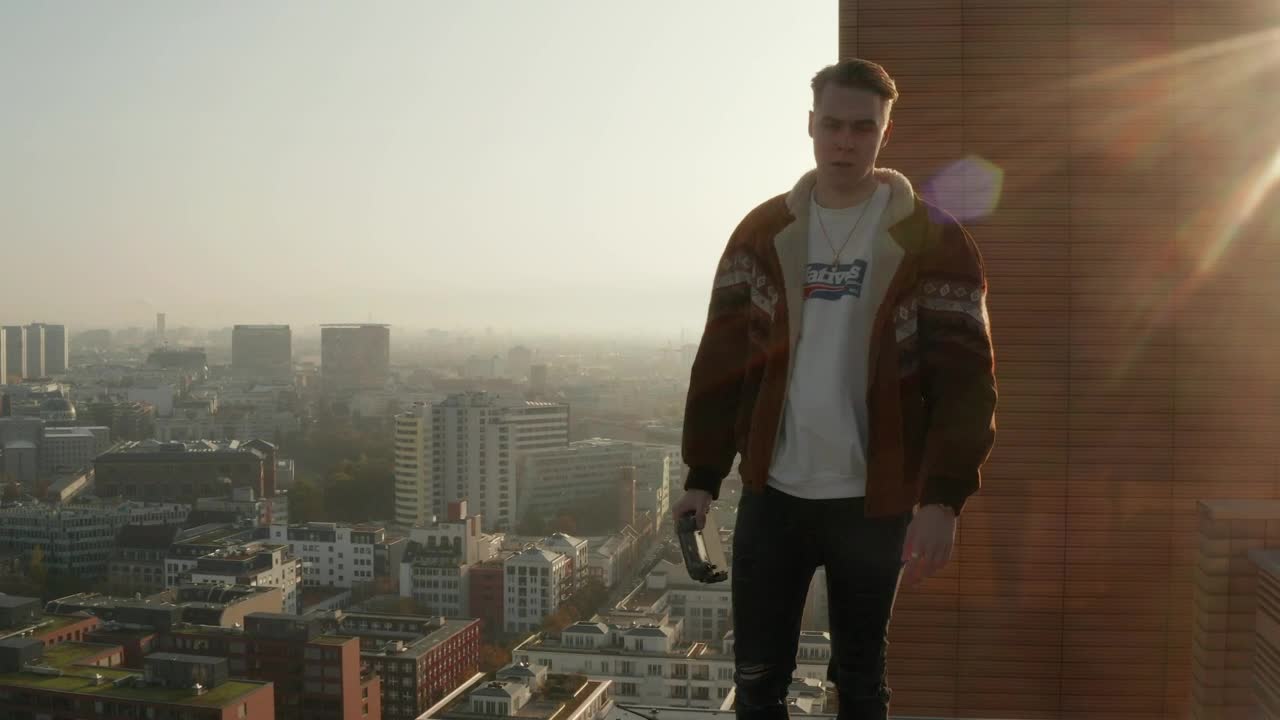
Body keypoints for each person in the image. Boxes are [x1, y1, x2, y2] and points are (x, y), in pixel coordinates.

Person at [671, 58, 998, 720]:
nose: (845, 141)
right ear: (809, 126)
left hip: (872, 502)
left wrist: (943, 498)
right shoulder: (763, 233)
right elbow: (721, 361)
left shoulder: (929, 238)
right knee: (758, 680)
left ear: (884, 131)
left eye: (861, 127)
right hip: (774, 497)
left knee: (860, 680)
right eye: (832, 125)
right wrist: (703, 473)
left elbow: (967, 376)